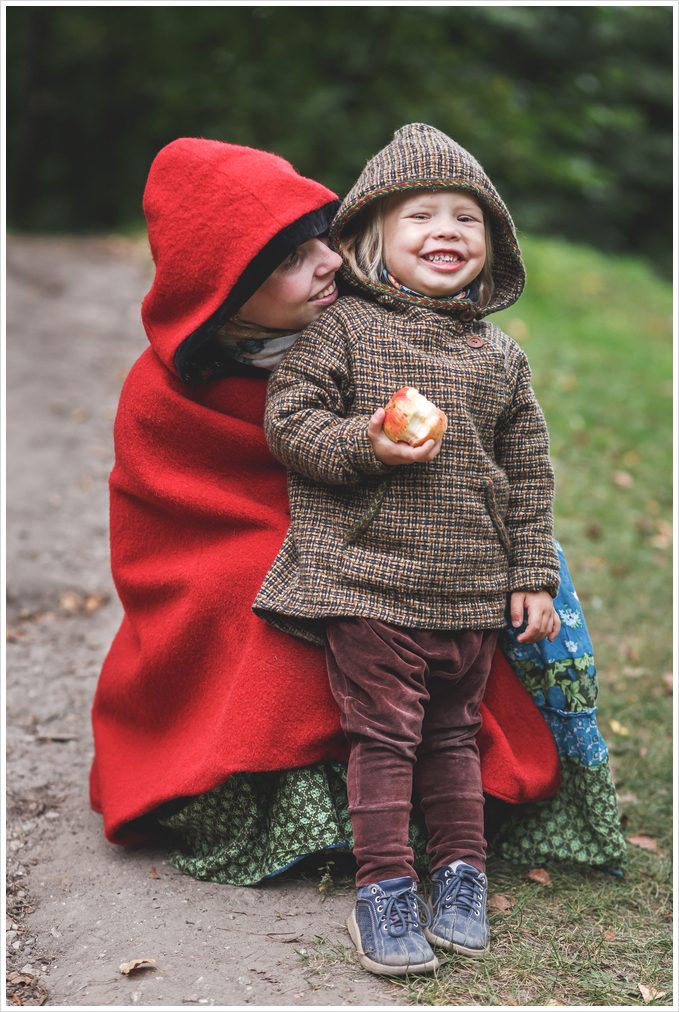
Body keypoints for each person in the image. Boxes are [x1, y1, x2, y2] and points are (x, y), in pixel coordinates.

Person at [90, 136, 624, 909]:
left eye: (320, 239)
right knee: (258, 597)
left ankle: (451, 811)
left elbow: (505, 449)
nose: (326, 263)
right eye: (289, 262)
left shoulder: (366, 325)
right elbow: (168, 522)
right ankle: (291, 802)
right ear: (226, 294)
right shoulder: (171, 392)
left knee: (447, 599)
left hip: (395, 533)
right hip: (268, 543)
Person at [252, 123, 615, 976]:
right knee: (382, 736)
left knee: (453, 736)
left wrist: (530, 575)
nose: (446, 231)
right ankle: (382, 886)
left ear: (492, 249)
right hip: (368, 579)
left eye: (467, 218)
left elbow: (527, 474)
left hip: (469, 588)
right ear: (370, 240)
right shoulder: (340, 336)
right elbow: (289, 421)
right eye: (420, 215)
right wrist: (366, 444)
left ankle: (460, 871)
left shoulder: (500, 359)